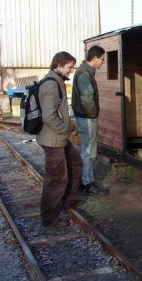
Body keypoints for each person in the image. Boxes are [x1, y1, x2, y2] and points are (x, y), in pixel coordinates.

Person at [37, 51, 83, 227]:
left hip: (57, 138)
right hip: (54, 139)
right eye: (70, 67)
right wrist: (65, 129)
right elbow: (49, 116)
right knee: (56, 178)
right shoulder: (51, 84)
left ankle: (65, 201)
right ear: (59, 64)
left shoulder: (56, 81)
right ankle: (49, 217)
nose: (71, 70)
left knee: (76, 164)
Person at [72, 45, 108, 194]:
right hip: (86, 117)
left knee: (88, 150)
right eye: (102, 59)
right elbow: (87, 99)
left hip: (84, 117)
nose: (103, 62)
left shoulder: (85, 71)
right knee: (87, 151)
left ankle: (86, 180)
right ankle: (86, 183)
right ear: (94, 58)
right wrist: (93, 115)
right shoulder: (84, 74)